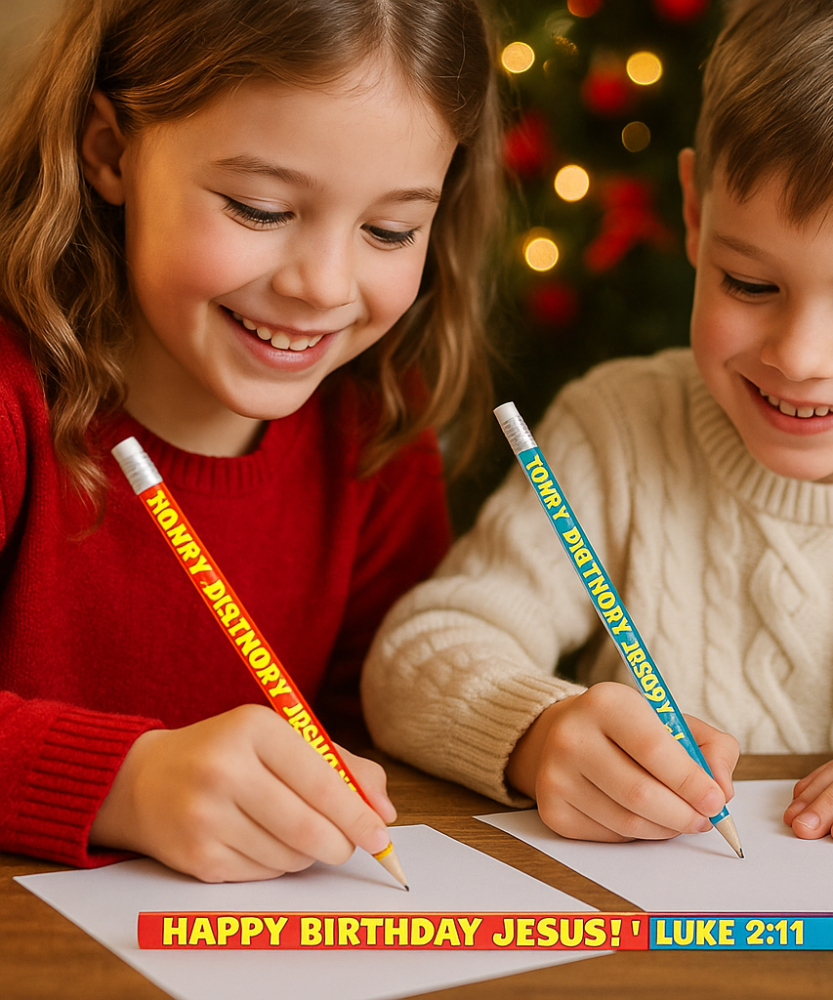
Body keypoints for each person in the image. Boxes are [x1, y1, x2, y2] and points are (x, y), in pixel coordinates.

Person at [362, 0, 833, 852]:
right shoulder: (615, 430)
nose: (801, 356)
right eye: (750, 283)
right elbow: (421, 653)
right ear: (697, 213)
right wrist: (537, 732)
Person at [0, 0, 503, 882]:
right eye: (260, 208)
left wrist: (527, 725)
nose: (323, 286)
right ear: (111, 150)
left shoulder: (373, 425)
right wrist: (124, 781)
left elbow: (393, 710)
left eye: (390, 230)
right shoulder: (12, 402)